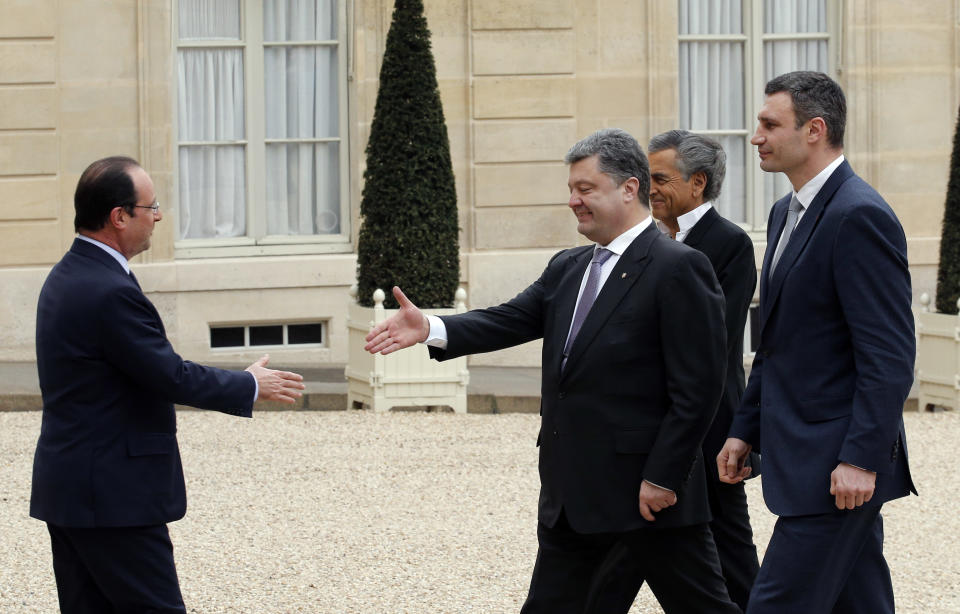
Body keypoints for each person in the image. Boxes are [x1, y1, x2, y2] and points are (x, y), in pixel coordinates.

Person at [365, 129, 740, 614]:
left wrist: (664, 478)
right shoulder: (570, 265)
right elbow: (509, 319)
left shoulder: (678, 267)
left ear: (629, 188)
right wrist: (432, 326)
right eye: (571, 190)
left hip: (648, 500)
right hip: (573, 496)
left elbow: (699, 389)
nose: (573, 201)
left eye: (585, 189)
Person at [30, 156, 306, 614]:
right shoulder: (107, 289)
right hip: (113, 497)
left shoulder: (68, 275)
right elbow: (168, 373)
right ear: (119, 216)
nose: (158, 217)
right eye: (151, 207)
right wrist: (248, 384)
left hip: (74, 490)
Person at [718, 71, 916, 614]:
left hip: (835, 468)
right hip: (801, 456)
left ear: (815, 130)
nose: (755, 136)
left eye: (768, 124)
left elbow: (889, 356)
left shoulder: (860, 214)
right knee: (861, 604)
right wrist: (745, 429)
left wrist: (861, 458)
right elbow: (776, 342)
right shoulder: (784, 213)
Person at [590, 130, 760, 611]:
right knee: (625, 547)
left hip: (707, 430)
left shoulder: (728, 244)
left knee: (731, 553)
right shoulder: (643, 240)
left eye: (659, 178)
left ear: (698, 182)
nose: (648, 187)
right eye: (646, 177)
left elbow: (712, 342)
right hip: (646, 431)